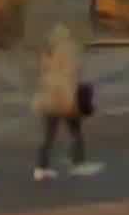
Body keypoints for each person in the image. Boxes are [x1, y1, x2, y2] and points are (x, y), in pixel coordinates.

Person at [33, 25, 101, 180]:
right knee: (76, 132)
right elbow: (72, 73)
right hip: (65, 98)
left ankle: (41, 168)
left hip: (48, 99)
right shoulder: (69, 49)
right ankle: (78, 163)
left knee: (48, 136)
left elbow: (44, 73)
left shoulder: (47, 51)